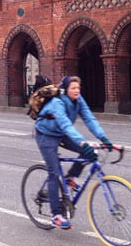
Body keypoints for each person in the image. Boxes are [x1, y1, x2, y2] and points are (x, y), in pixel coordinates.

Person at [34, 75, 112, 230]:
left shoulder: (78, 99)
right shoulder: (57, 102)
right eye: (73, 88)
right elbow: (65, 125)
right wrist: (83, 142)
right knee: (54, 172)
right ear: (65, 89)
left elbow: (89, 118)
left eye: (78, 87)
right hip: (46, 135)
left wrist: (103, 137)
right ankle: (56, 215)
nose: (77, 90)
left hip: (62, 133)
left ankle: (70, 177)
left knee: (90, 152)